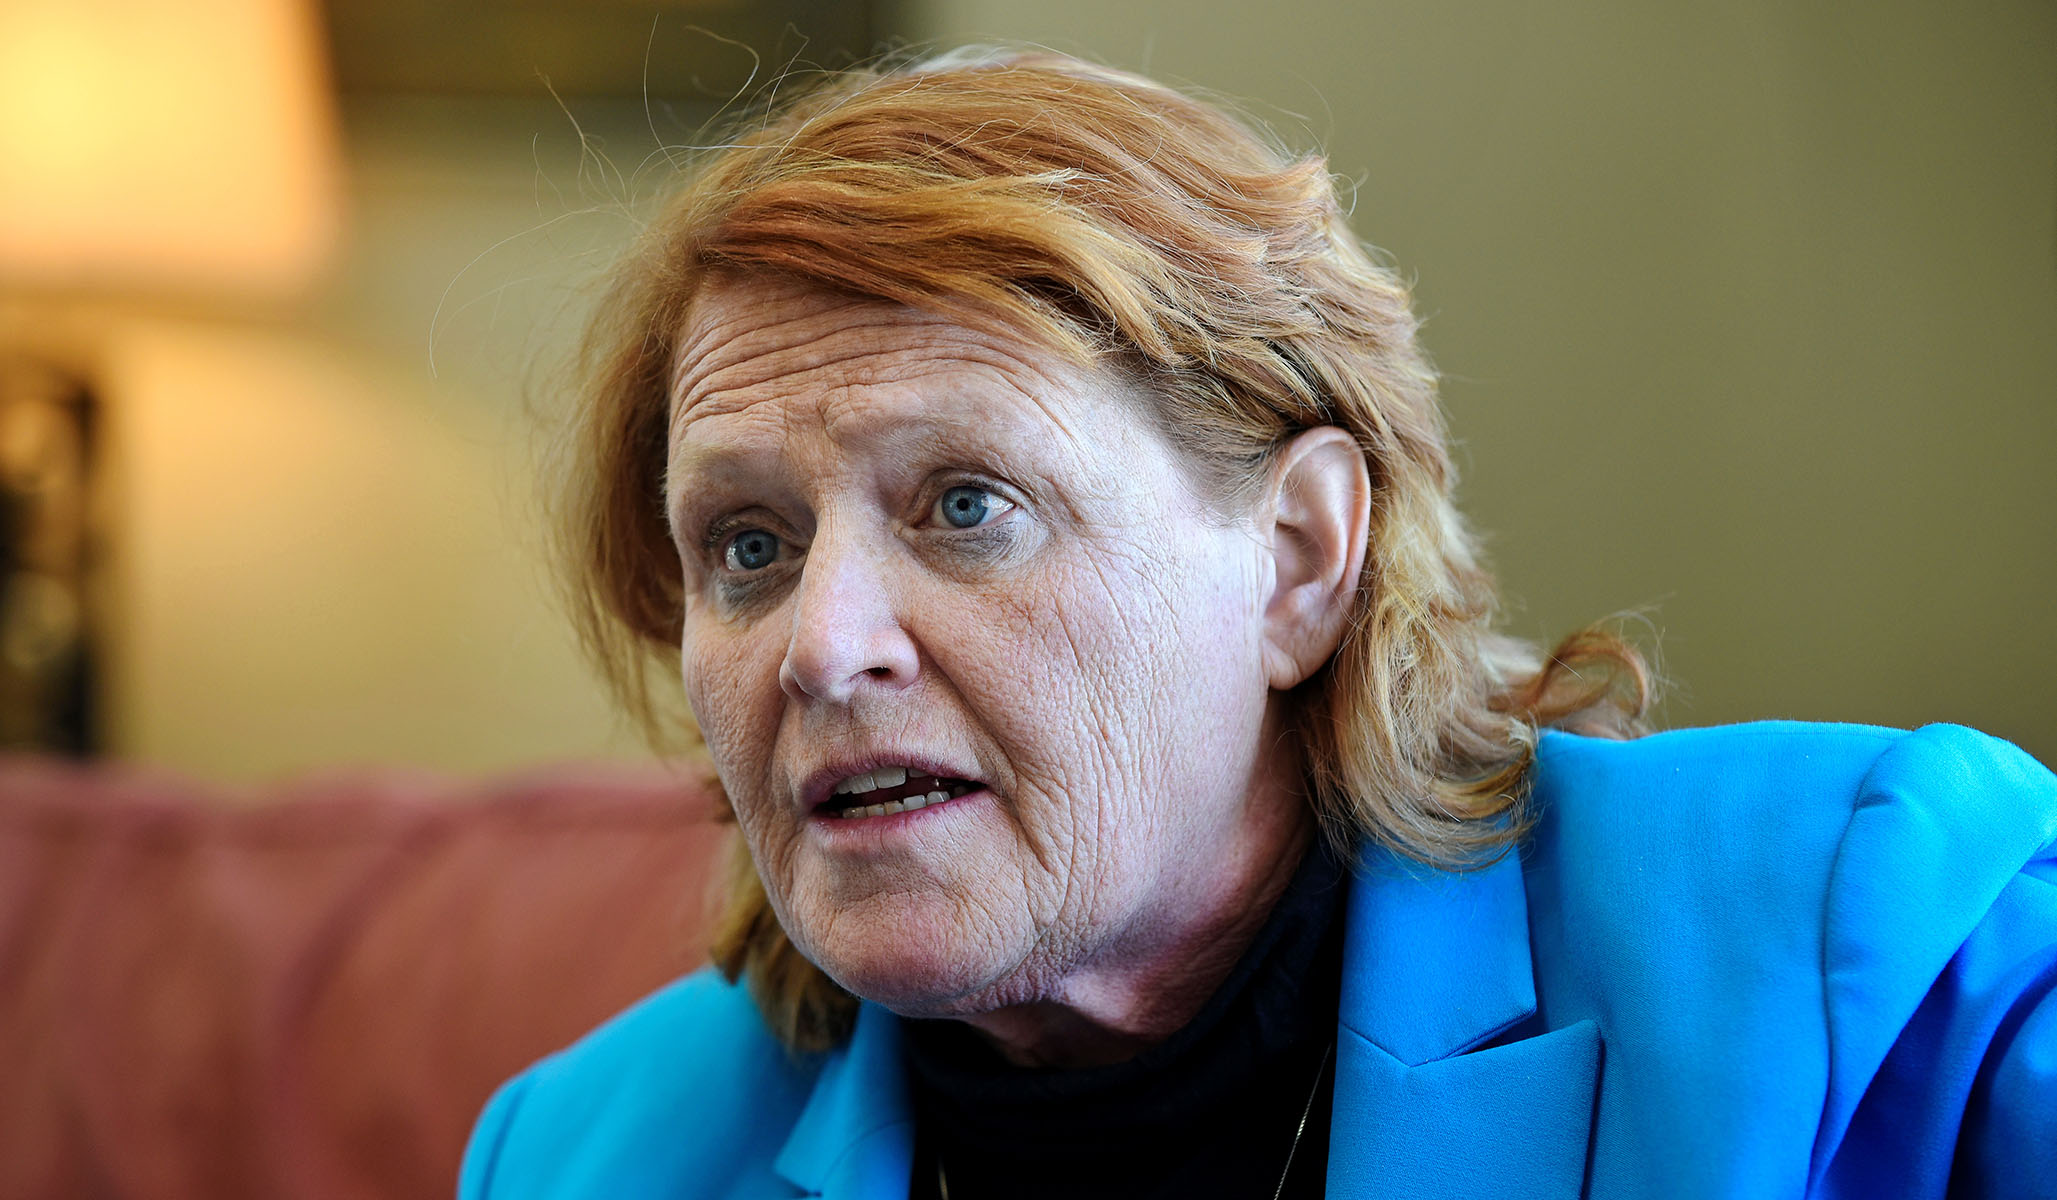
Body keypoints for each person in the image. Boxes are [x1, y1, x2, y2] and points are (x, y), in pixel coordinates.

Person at [460, 49, 2057, 1199]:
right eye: (748, 546)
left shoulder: (1864, 941)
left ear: (1297, 561)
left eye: (966, 505)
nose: (822, 646)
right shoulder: (581, 1155)